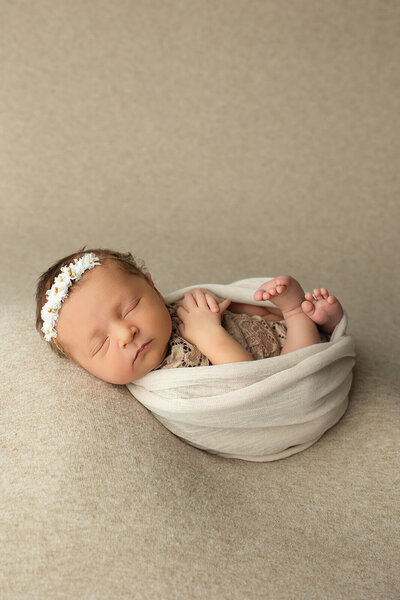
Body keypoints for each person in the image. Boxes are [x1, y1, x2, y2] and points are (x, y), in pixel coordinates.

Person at [35, 247, 344, 385]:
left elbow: (229, 306)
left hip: (262, 329)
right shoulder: (172, 377)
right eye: (101, 344)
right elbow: (246, 380)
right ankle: (298, 314)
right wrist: (207, 334)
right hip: (276, 369)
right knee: (301, 365)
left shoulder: (171, 311)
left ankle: (312, 320)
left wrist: (247, 307)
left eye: (129, 308)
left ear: (152, 287)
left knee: (251, 307)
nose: (124, 333)